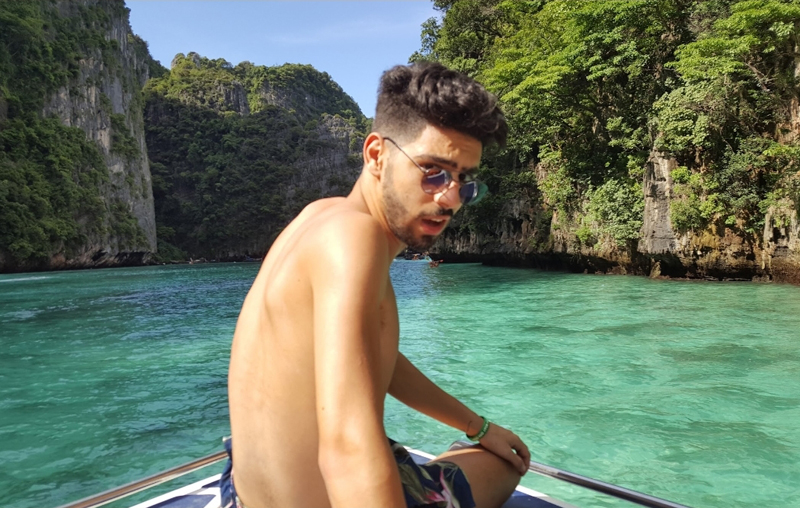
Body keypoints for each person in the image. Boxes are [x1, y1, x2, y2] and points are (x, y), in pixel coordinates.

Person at [221, 62, 530, 508]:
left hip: (241, 496)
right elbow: (347, 447)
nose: (449, 198)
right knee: (503, 466)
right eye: (433, 170)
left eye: (464, 180)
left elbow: (372, 356)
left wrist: (476, 426)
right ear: (376, 155)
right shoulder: (355, 239)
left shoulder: (318, 216)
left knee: (477, 448)